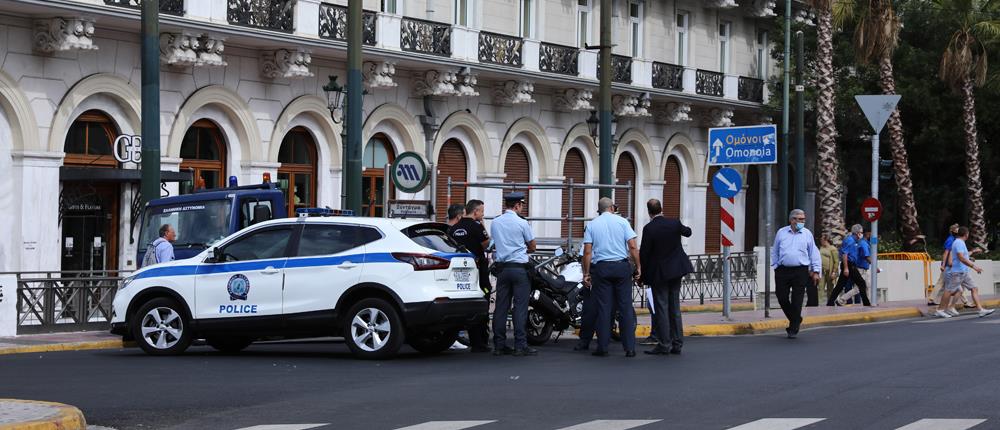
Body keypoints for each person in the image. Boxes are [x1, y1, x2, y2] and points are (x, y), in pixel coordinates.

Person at [581, 197, 641, 357]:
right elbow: (633, 246)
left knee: (604, 308)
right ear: (612, 208)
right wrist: (638, 267)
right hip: (621, 267)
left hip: (602, 269)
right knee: (625, 307)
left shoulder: (592, 225)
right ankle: (629, 348)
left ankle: (603, 347)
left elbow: (587, 251)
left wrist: (586, 273)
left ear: (600, 210)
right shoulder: (622, 222)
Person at [639, 199, 694, 356]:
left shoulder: (649, 229)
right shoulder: (674, 223)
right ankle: (677, 343)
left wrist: (642, 274)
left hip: (660, 273)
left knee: (662, 307)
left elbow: (645, 253)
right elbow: (688, 232)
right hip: (676, 270)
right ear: (661, 209)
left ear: (649, 212)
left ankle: (664, 343)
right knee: (674, 306)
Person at [489, 192, 537, 356]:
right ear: (517, 205)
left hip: (502, 269)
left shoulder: (495, 222)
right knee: (520, 308)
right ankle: (520, 345)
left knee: (501, 308)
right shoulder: (522, 223)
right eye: (521, 205)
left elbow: (493, 243)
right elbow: (532, 246)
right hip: (519, 269)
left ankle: (499, 345)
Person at [448, 199, 492, 353]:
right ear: (476, 212)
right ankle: (480, 342)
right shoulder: (477, 226)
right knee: (482, 301)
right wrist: (484, 228)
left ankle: (458, 338)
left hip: (458, 273)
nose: (483, 214)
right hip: (478, 271)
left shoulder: (454, 228)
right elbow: (486, 244)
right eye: (481, 211)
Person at [770, 209, 821, 339]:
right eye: (800, 219)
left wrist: (815, 271)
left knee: (797, 300)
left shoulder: (807, 234)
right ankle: (797, 318)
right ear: (792, 220)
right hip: (782, 270)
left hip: (800, 270)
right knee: (781, 296)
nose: (802, 222)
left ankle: (793, 327)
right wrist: (775, 265)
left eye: (803, 219)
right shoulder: (781, 232)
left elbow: (813, 253)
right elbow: (775, 250)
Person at [935, 226, 995, 318]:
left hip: (964, 272)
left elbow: (964, 256)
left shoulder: (960, 242)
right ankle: (940, 310)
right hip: (958, 272)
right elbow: (961, 257)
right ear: (966, 234)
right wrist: (974, 266)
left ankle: (980, 310)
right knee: (949, 290)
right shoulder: (959, 243)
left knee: (974, 288)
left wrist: (973, 252)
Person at [827, 224, 872, 307]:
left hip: (850, 264)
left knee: (840, 285)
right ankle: (866, 303)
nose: (862, 234)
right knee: (861, 283)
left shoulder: (855, 241)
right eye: (861, 232)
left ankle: (830, 302)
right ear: (857, 233)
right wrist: (846, 268)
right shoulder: (850, 240)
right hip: (849, 265)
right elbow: (845, 254)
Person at [819, 234, 840, 305]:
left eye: (822, 240)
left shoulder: (833, 249)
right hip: (822, 271)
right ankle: (819, 304)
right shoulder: (821, 248)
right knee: (820, 288)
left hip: (830, 272)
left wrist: (834, 271)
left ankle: (830, 303)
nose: (820, 241)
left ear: (826, 240)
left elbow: (836, 261)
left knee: (830, 289)